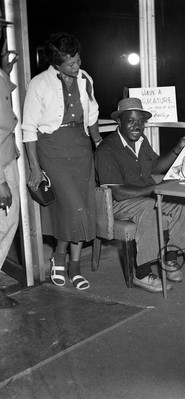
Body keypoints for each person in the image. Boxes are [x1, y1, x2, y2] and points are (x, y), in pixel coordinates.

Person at [22, 32, 103, 291]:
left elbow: (92, 115)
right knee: (71, 208)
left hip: (80, 146)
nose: (77, 67)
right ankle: (61, 260)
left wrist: (99, 143)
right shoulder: (39, 83)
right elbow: (28, 129)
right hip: (52, 148)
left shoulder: (85, 78)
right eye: (71, 64)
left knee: (84, 207)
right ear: (56, 63)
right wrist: (35, 168)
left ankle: (71, 264)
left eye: (78, 60)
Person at [95, 98, 185, 292]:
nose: (137, 126)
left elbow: (156, 166)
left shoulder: (141, 141)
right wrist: (155, 189)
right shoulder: (107, 149)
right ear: (119, 122)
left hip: (142, 196)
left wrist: (178, 149)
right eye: (131, 120)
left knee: (183, 201)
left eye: (141, 121)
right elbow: (118, 193)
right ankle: (141, 274)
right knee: (149, 208)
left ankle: (170, 260)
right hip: (117, 202)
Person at [0, 17, 20, 308]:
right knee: (6, 223)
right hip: (1, 163)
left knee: (8, 223)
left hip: (7, 155)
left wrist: (5, 72)